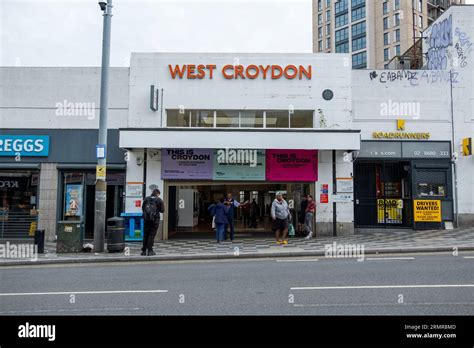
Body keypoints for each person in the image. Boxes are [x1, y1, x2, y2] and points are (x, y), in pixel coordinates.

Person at [141, 189, 165, 256]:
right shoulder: (159, 200)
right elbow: (162, 210)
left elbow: (143, 208)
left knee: (146, 235)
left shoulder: (146, 199)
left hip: (146, 220)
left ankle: (143, 251)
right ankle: (150, 251)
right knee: (151, 235)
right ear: (157, 194)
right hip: (155, 220)